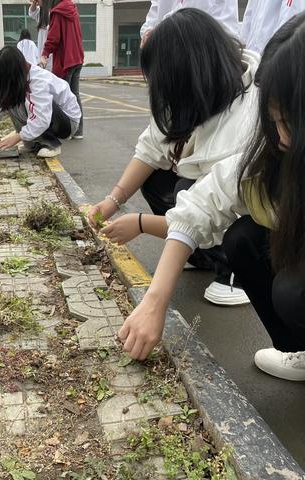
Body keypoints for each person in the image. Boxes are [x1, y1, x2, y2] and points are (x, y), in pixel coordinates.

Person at [118, 12, 305, 382]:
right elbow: (204, 202)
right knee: (245, 238)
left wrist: (140, 223)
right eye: (274, 120)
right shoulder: (269, 147)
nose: (279, 136)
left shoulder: (238, 122)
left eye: (289, 122)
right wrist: (154, 302)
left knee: (293, 291)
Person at [88, 9, 260, 306]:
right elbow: (151, 149)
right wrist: (112, 201)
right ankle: (199, 252)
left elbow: (209, 204)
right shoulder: (188, 98)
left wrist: (142, 224)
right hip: (206, 204)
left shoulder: (247, 116)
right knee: (157, 180)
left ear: (188, 75)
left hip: (249, 214)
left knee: (187, 190)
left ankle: (234, 276)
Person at [0, 46, 81, 159]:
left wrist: (18, 136)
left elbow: (41, 118)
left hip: (68, 122)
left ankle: (52, 145)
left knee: (41, 105)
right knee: (10, 96)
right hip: (50, 118)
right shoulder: (22, 75)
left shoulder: (39, 81)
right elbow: (2, 97)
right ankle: (33, 144)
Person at [39, 0, 84, 139]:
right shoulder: (72, 9)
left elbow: (53, 37)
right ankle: (78, 131)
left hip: (65, 60)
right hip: (77, 58)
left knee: (60, 97)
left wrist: (44, 54)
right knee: (74, 95)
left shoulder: (57, 12)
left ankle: (62, 131)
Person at [140, 0, 239, 47]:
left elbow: (191, 14)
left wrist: (158, 31)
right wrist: (147, 31)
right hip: (170, 52)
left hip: (209, 50)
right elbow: (156, 9)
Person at [241, 0, 305, 54]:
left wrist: (272, 53)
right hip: (251, 49)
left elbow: (287, 21)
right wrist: (243, 42)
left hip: (268, 53)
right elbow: (249, 11)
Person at [29, 0, 52, 71]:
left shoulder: (53, 12)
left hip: (51, 51)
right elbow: (31, 13)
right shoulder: (40, 12)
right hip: (42, 52)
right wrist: (34, 3)